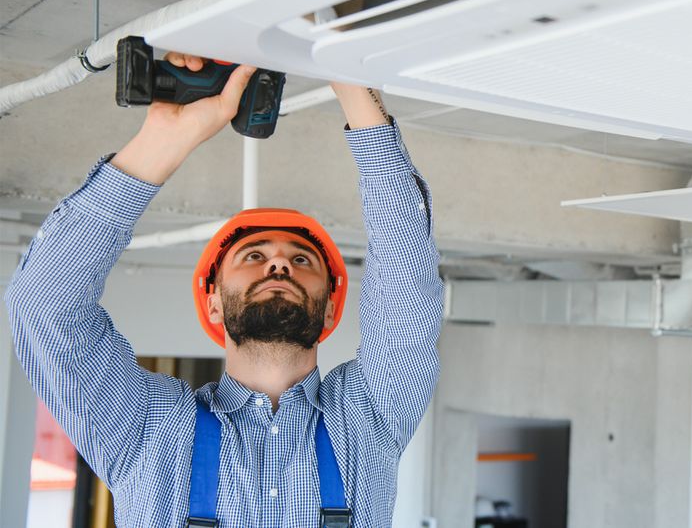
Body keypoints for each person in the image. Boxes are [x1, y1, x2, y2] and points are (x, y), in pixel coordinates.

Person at [5, 54, 443, 527]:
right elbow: (46, 307)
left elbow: (406, 292)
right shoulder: (149, 430)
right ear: (213, 303)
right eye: (253, 256)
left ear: (332, 304)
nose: (279, 262)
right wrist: (163, 140)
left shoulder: (367, 418)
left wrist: (355, 88)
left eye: (301, 260)